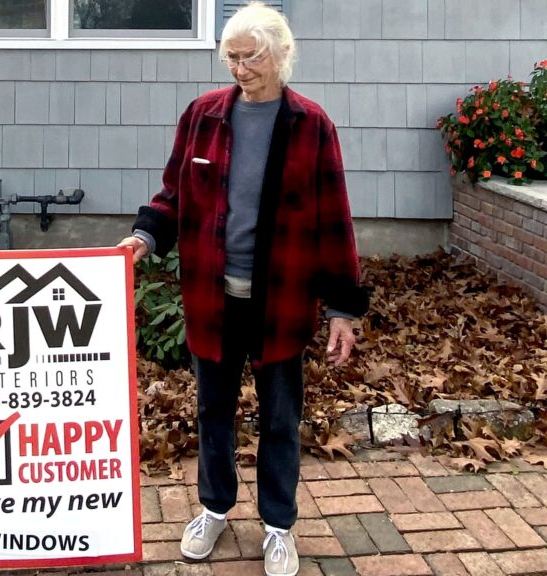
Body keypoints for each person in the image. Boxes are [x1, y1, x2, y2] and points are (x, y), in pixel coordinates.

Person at [118, 3, 368, 575]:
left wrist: (342, 309)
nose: (238, 68)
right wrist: (143, 238)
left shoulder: (311, 124)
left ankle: (279, 525)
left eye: (249, 56)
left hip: (279, 299)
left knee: (281, 417)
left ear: (281, 54)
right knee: (213, 412)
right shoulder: (203, 115)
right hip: (213, 296)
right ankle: (214, 508)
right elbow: (172, 196)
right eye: (230, 56)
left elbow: (335, 220)